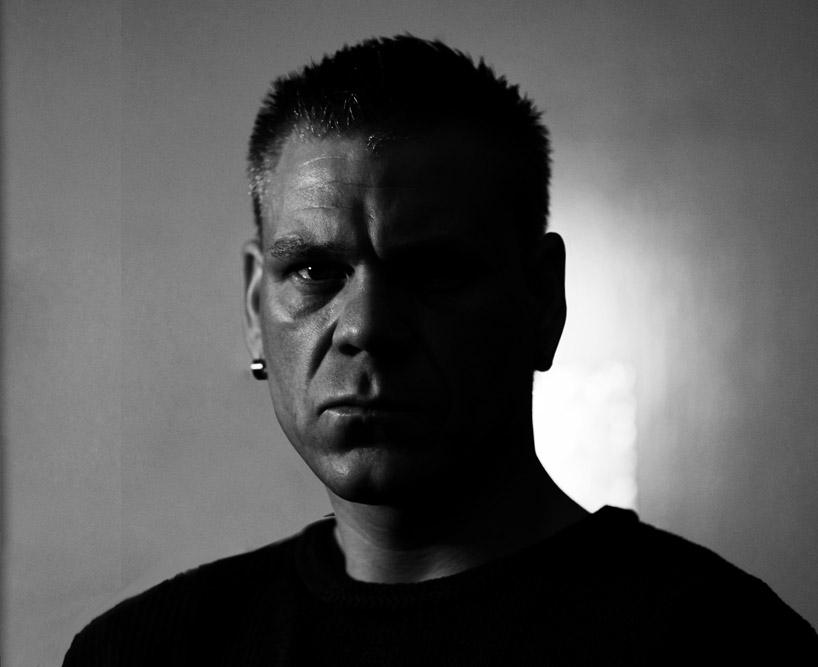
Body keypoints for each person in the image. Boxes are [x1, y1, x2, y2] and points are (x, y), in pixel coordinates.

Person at [64, 34, 816, 665]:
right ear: (256, 306)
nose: (366, 327)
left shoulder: (723, 647)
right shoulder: (144, 653)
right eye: (316, 271)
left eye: (433, 271)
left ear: (542, 297)